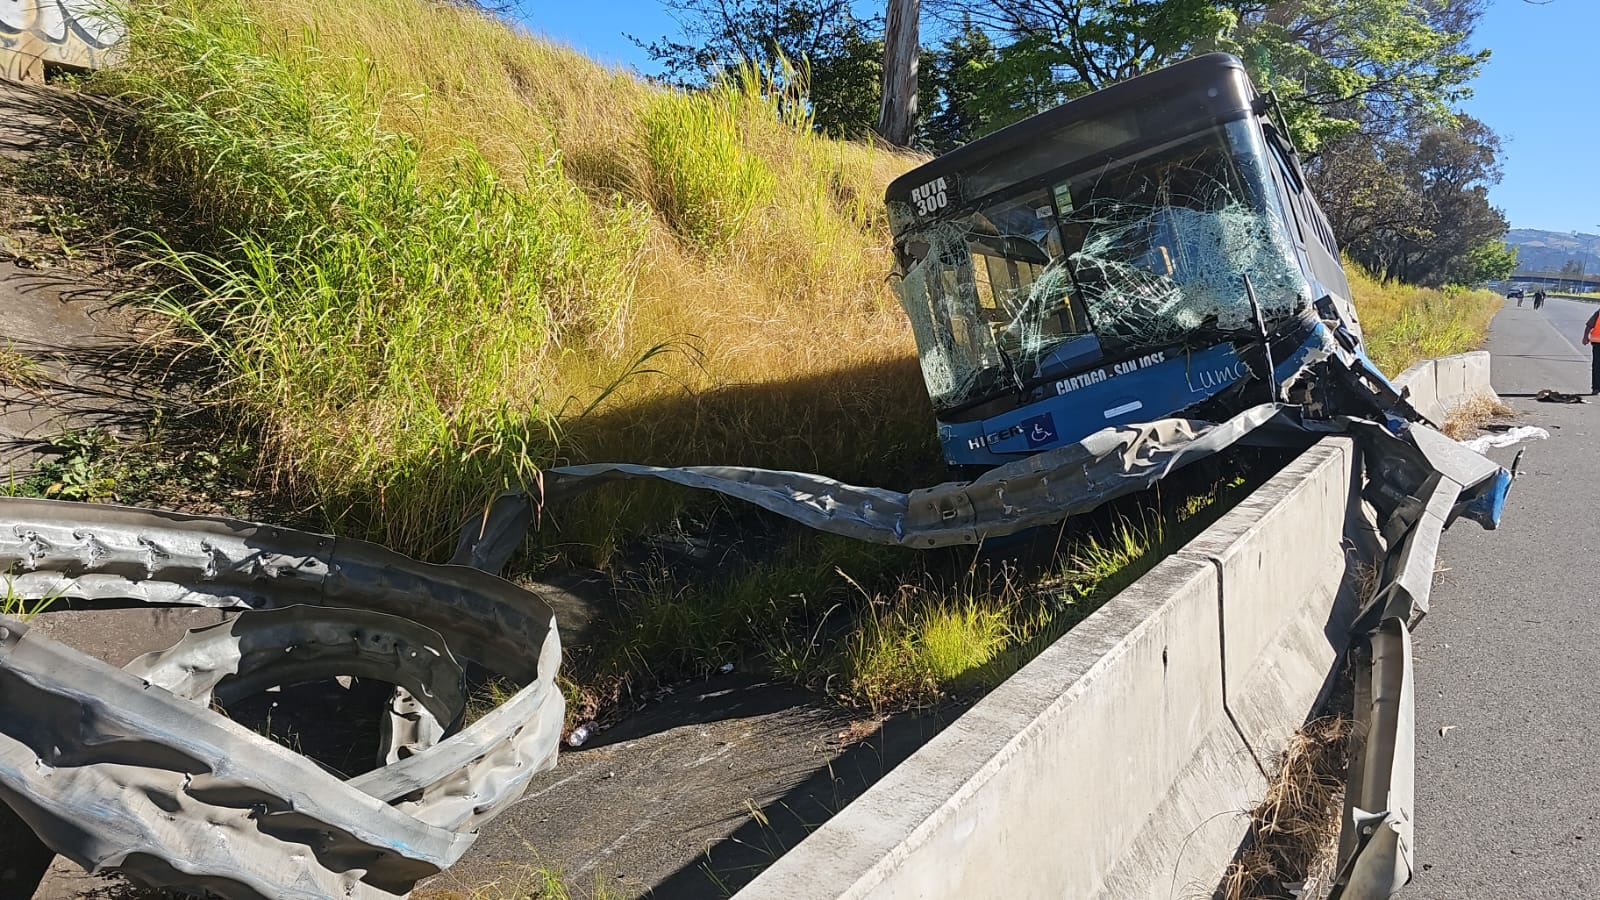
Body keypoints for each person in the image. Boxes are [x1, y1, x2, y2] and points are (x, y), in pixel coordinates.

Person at [1584, 306, 1600, 394]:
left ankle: (1596, 388)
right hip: (1597, 343)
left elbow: (1589, 325)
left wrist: (1585, 336)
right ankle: (1596, 387)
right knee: (1597, 366)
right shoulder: (1599, 313)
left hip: (1597, 342)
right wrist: (1585, 336)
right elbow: (1589, 325)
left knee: (1597, 366)